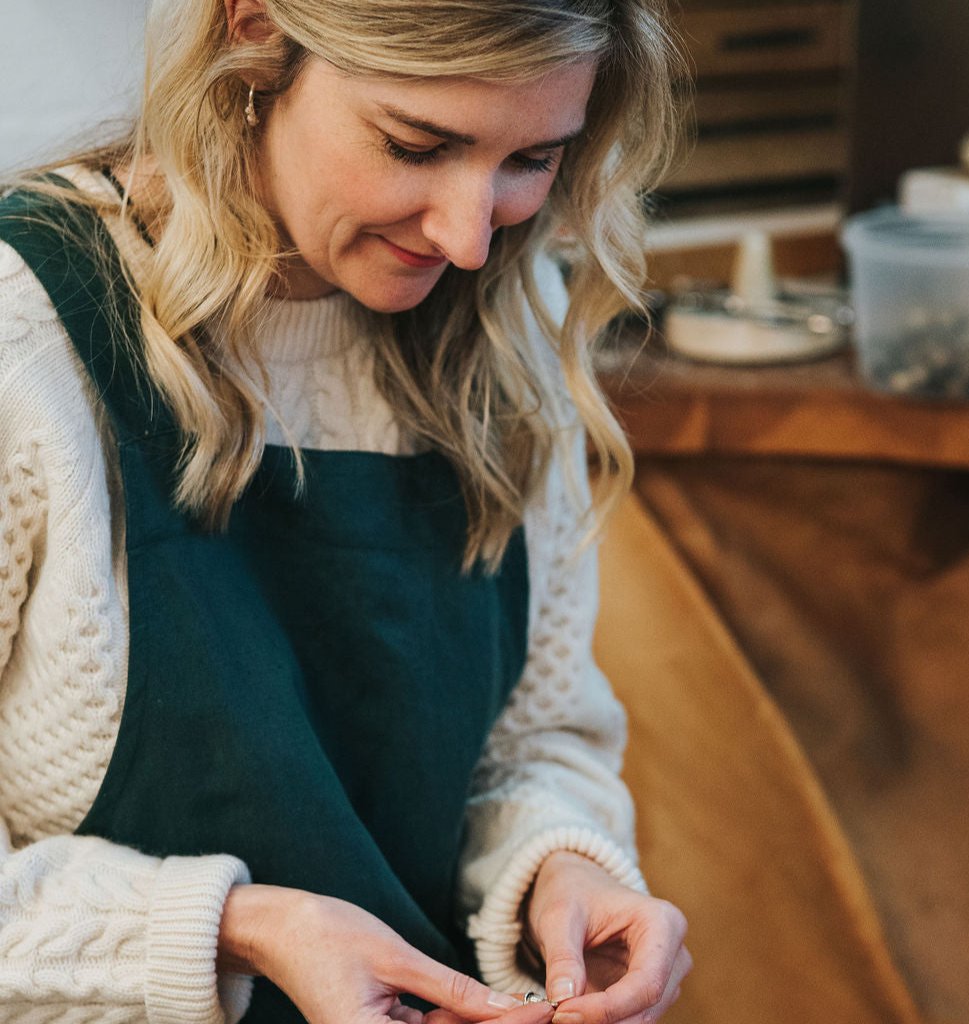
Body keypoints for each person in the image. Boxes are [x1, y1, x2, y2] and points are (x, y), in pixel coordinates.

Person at [0, 1, 690, 1022]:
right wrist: (238, 930)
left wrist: (561, 870)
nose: (466, 236)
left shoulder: (507, 317)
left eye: (532, 158)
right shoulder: (26, 332)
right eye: (416, 145)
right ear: (252, 35)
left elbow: (532, 739)